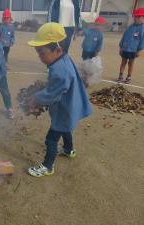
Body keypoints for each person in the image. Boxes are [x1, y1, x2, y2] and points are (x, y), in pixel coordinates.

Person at [27, 23, 92, 177]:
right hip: (71, 106)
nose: (39, 57)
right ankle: (69, 150)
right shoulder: (63, 58)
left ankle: (47, 166)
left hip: (64, 109)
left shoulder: (59, 71)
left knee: (51, 139)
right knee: (66, 128)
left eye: (42, 53)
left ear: (57, 50)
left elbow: (51, 94)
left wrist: (35, 98)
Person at [117, 8, 144, 84]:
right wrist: (121, 47)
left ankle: (129, 76)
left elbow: (142, 40)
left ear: (143, 18)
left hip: (133, 50)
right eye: (135, 16)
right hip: (125, 49)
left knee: (131, 63)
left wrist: (139, 50)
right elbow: (124, 37)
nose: (135, 18)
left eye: (138, 17)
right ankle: (120, 75)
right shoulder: (130, 27)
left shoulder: (142, 29)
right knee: (123, 62)